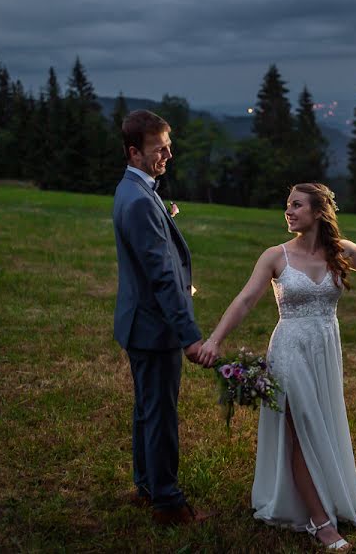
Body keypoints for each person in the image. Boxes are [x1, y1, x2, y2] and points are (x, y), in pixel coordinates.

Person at [197, 183, 356, 550]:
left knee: (319, 425)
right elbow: (246, 300)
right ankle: (320, 522)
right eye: (287, 205)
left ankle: (320, 502)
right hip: (290, 351)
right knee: (301, 427)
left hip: (325, 351)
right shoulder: (275, 256)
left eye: (296, 205)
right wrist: (214, 340)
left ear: (317, 212)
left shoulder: (338, 252)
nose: (289, 211)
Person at [112, 109, 211, 525]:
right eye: (158, 149)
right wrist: (189, 336)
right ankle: (168, 503)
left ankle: (147, 485)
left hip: (142, 324)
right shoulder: (138, 201)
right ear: (135, 153)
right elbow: (162, 278)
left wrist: (164, 221)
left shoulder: (138, 191)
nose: (167, 154)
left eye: (168, 146)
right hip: (155, 328)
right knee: (161, 415)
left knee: (147, 410)